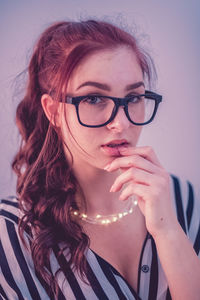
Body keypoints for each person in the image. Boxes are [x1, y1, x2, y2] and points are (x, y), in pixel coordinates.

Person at [0, 19, 199, 300]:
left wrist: (167, 230)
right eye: (93, 99)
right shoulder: (11, 235)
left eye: (133, 97)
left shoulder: (180, 198)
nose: (120, 123)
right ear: (53, 111)